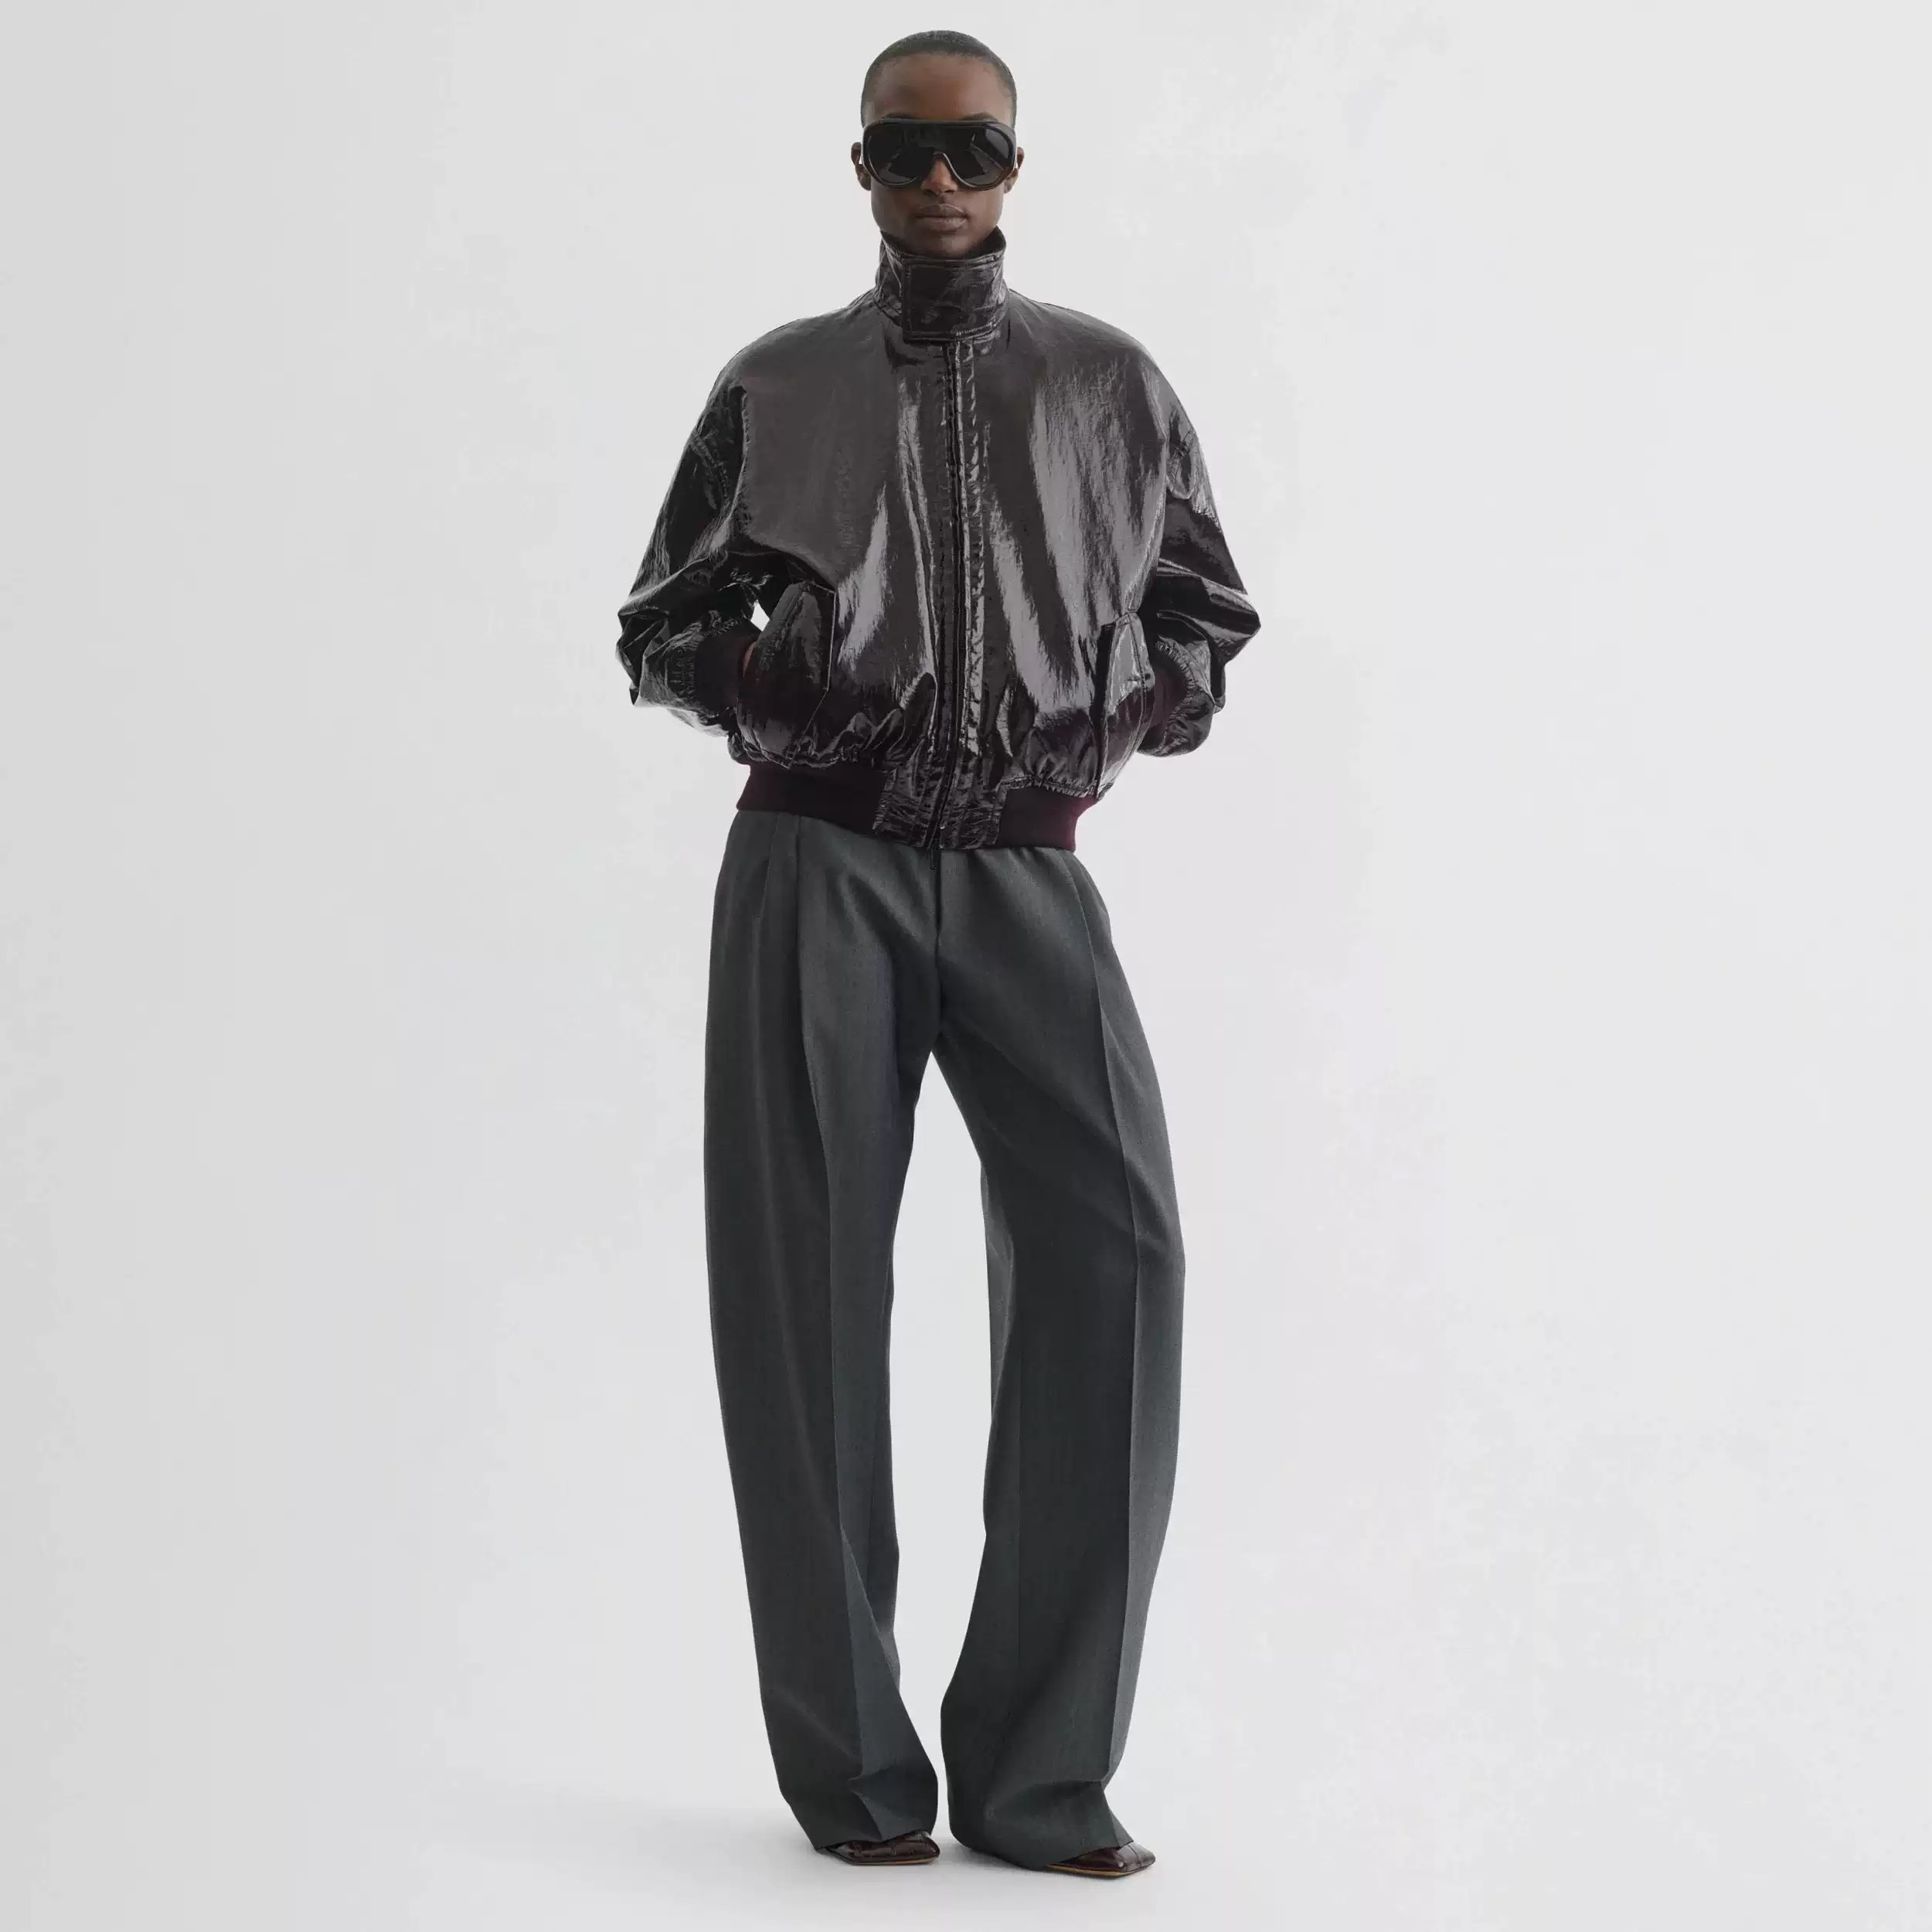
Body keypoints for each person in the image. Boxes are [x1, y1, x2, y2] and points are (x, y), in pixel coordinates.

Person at [614, 27, 1259, 1880]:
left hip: (1028, 869)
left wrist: (1120, 708)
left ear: (1013, 163)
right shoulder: (780, 381)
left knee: (1115, 1252)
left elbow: (1204, 610)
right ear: (861, 169)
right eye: (903, 152)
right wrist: (768, 681)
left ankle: (1041, 1777)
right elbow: (658, 624)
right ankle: (854, 1775)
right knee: (802, 1292)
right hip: (815, 857)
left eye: (969, 148)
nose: (938, 181)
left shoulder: (1108, 385)